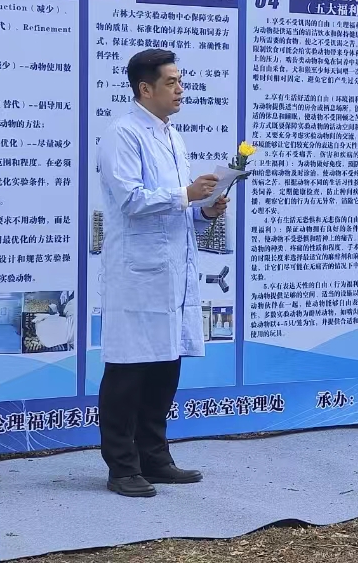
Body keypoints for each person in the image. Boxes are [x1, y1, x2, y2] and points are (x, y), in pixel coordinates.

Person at [96, 48, 226, 498]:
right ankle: (121, 466)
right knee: (128, 372)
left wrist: (204, 211)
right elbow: (131, 200)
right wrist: (186, 193)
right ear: (144, 88)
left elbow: (174, 210)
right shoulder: (122, 134)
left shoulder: (172, 136)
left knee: (164, 369)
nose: (180, 90)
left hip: (172, 273)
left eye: (181, 81)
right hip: (137, 274)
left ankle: (155, 457)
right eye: (171, 82)